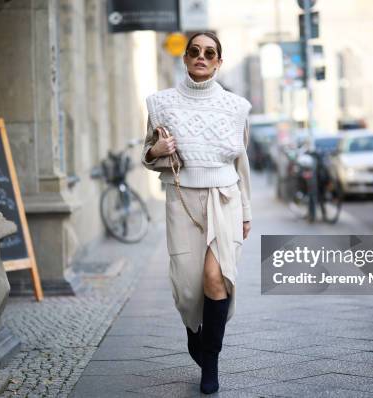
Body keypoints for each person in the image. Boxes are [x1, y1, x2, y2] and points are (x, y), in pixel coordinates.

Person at [141, 32, 252, 394]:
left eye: (210, 53)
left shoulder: (238, 107)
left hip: (225, 198)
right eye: (195, 51)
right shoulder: (161, 104)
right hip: (182, 201)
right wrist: (157, 149)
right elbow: (148, 156)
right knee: (189, 291)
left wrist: (246, 211)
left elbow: (242, 162)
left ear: (219, 61)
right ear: (185, 58)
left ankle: (211, 364)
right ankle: (194, 332)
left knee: (215, 279)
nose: (201, 57)